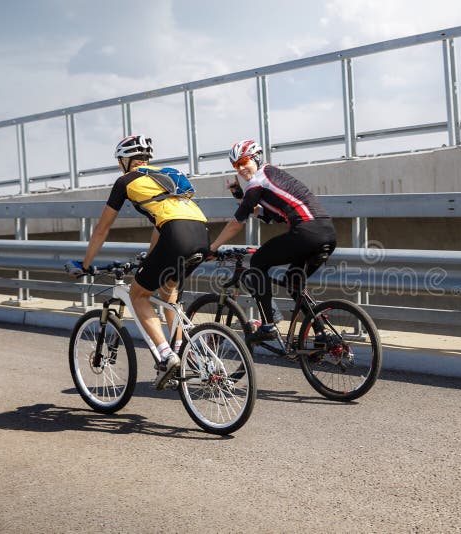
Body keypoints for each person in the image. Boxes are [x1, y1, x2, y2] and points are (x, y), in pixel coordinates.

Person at [67, 135, 210, 389]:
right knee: (169, 291)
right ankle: (182, 350)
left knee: (138, 294)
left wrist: (86, 264)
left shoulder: (125, 181)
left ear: (125, 160)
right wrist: (150, 255)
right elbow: (162, 221)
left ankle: (167, 356)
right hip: (202, 233)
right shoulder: (166, 175)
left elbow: (102, 228)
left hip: (176, 235)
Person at [210, 139, 337, 343]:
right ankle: (322, 334)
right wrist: (239, 195)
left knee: (258, 262)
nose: (241, 168)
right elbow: (272, 216)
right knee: (294, 284)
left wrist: (213, 247)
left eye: (244, 161)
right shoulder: (271, 176)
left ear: (257, 157)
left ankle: (268, 325)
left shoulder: (258, 180)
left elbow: (236, 223)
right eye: (236, 165)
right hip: (327, 233)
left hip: (306, 232)